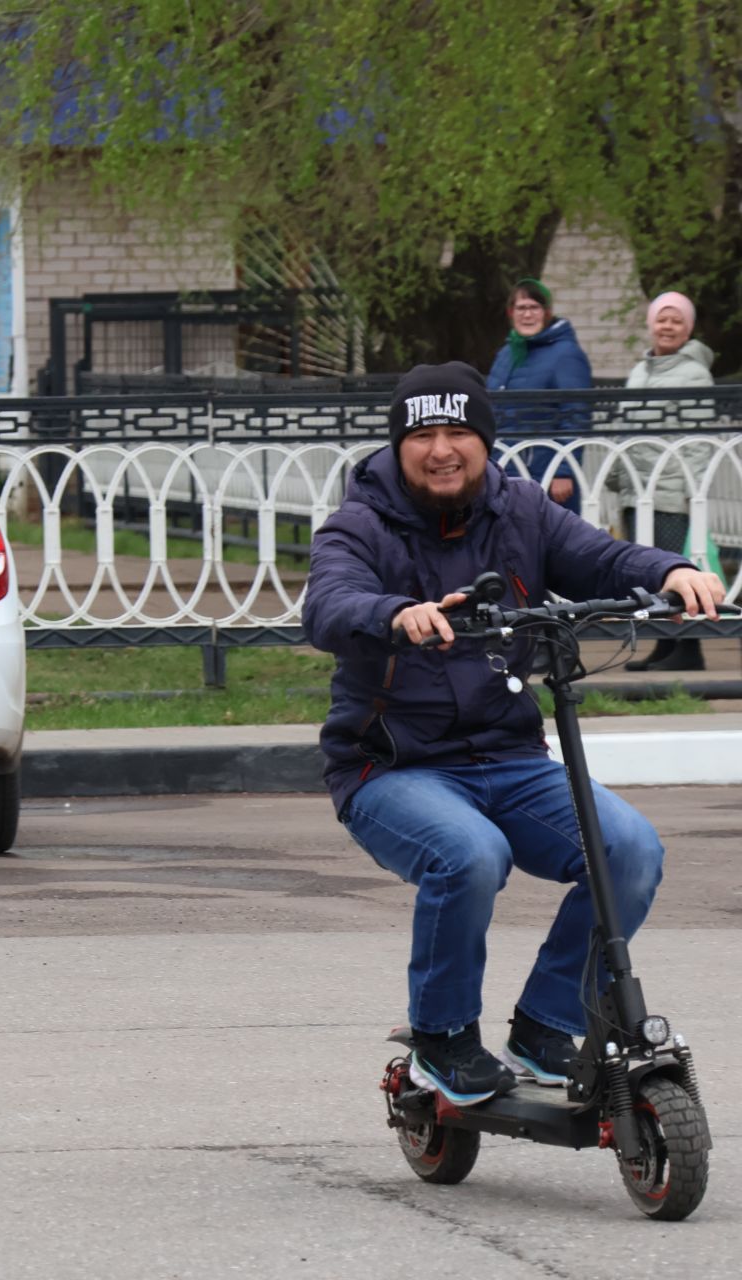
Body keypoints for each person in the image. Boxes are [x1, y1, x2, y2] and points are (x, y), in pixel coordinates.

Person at [303, 361, 720, 1107]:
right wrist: (395, 612)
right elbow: (330, 601)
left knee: (628, 851)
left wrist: (673, 569)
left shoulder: (520, 510)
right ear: (398, 445)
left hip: (508, 757)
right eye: (423, 434)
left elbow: (604, 558)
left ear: (484, 441)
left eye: (458, 431)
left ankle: (546, 1024)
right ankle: (443, 1039)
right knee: (469, 854)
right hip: (392, 770)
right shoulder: (358, 524)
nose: (441, 449)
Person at [611, 290, 719, 673]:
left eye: (677, 320)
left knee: (676, 570)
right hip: (636, 489)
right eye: (662, 319)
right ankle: (664, 644)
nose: (667, 326)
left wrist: (692, 490)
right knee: (651, 571)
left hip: (670, 490)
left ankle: (688, 649)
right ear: (651, 324)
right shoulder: (642, 369)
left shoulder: (693, 373)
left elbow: (696, 441)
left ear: (687, 329)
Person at [486, 278, 593, 513]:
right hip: (506, 471)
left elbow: (575, 414)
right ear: (511, 313)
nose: (527, 314)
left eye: (534, 307)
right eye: (521, 308)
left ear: (547, 313)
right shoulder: (507, 354)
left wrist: (564, 470)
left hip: (546, 474)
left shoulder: (566, 354)